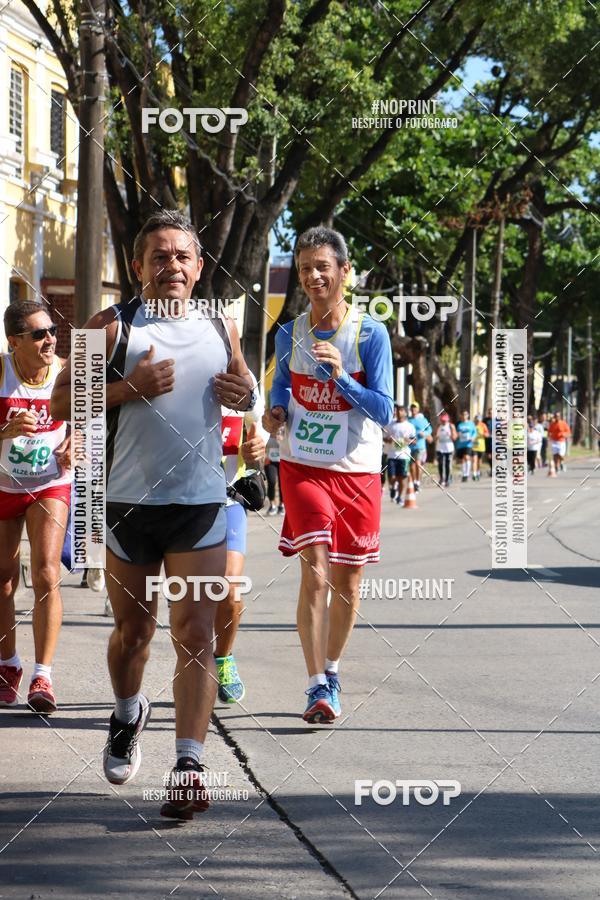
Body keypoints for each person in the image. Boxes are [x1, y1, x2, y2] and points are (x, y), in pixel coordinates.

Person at [51, 211, 255, 820]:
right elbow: (62, 399)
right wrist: (125, 389)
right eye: (158, 257)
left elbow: (241, 385)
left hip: (198, 505)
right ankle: (125, 712)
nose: (172, 266)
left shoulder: (220, 325)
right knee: (133, 635)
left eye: (182, 257)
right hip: (127, 506)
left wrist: (243, 394)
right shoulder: (110, 327)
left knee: (195, 633)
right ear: (138, 267)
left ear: (197, 268)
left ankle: (190, 765)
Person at [263, 226, 393, 724]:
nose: (313, 276)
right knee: (315, 570)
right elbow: (279, 393)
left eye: (322, 267)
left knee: (349, 581)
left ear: (344, 272)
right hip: (303, 467)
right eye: (304, 269)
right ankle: (316, 684)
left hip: (356, 472)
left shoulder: (369, 334)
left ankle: (333, 670)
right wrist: (275, 413)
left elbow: (384, 410)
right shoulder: (288, 332)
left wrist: (342, 379)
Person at [0, 301, 71, 713]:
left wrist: (75, 440)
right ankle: (8, 664)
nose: (50, 340)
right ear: (14, 342)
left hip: (49, 483)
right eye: (39, 334)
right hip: (4, 484)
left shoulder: (64, 371)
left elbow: (91, 418)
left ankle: (43, 675)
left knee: (46, 571)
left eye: (53, 331)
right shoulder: (2, 371)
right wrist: (5, 429)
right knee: (4, 579)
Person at [216, 376, 267, 703]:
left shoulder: (241, 378)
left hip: (228, 500)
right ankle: (192, 664)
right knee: (188, 595)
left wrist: (256, 452)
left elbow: (255, 439)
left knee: (231, 591)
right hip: (181, 505)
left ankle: (223, 659)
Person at [383, 404, 415, 505]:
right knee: (391, 477)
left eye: (401, 410)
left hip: (404, 455)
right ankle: (393, 487)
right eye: (397, 410)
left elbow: (414, 440)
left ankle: (400, 497)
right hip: (392, 454)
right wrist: (388, 439)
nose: (398, 412)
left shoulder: (409, 426)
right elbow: (384, 437)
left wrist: (408, 440)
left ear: (405, 413)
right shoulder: (390, 424)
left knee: (402, 477)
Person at [407, 402, 432, 491]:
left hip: (420, 445)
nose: (413, 410)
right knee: (411, 466)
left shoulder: (423, 420)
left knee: (417, 463)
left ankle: (418, 482)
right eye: (412, 408)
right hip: (410, 447)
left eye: (415, 408)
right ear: (410, 410)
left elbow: (430, 429)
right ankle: (414, 482)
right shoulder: (408, 420)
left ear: (418, 409)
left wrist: (424, 433)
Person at [264, 428, 284, 515]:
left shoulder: (285, 428)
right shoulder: (266, 428)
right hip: (270, 460)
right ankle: (272, 505)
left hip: (283, 461)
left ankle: (281, 505)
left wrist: (282, 441)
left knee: (282, 484)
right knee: (271, 482)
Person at [435, 411, 456, 487]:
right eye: (442, 420)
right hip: (440, 447)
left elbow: (454, 437)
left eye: (445, 420)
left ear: (448, 419)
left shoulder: (451, 426)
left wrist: (451, 435)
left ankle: (447, 479)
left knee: (447, 464)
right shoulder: (438, 426)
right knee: (440, 463)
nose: (443, 421)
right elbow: (435, 437)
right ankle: (441, 478)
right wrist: (436, 435)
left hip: (449, 448)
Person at [455, 410, 477, 482]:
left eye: (466, 414)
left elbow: (474, 432)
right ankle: (464, 474)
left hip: (468, 443)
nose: (464, 416)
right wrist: (457, 435)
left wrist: (473, 438)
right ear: (461, 416)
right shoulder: (460, 425)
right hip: (461, 444)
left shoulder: (471, 424)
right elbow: (457, 433)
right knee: (462, 460)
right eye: (463, 415)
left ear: (468, 415)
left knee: (467, 457)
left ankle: (467, 474)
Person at [472, 415, 489, 481]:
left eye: (479, 420)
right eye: (476, 420)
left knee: (479, 461)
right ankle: (474, 474)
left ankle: (478, 472)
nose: (477, 421)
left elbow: (487, 435)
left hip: (481, 446)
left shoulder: (483, 425)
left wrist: (482, 434)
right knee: (474, 460)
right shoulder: (472, 425)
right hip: (473, 445)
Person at [483, 407, 494, 475]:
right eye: (489, 413)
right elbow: (481, 427)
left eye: (492, 413)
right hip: (487, 439)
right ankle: (492, 469)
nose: (490, 414)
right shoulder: (485, 420)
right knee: (489, 456)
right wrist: (484, 433)